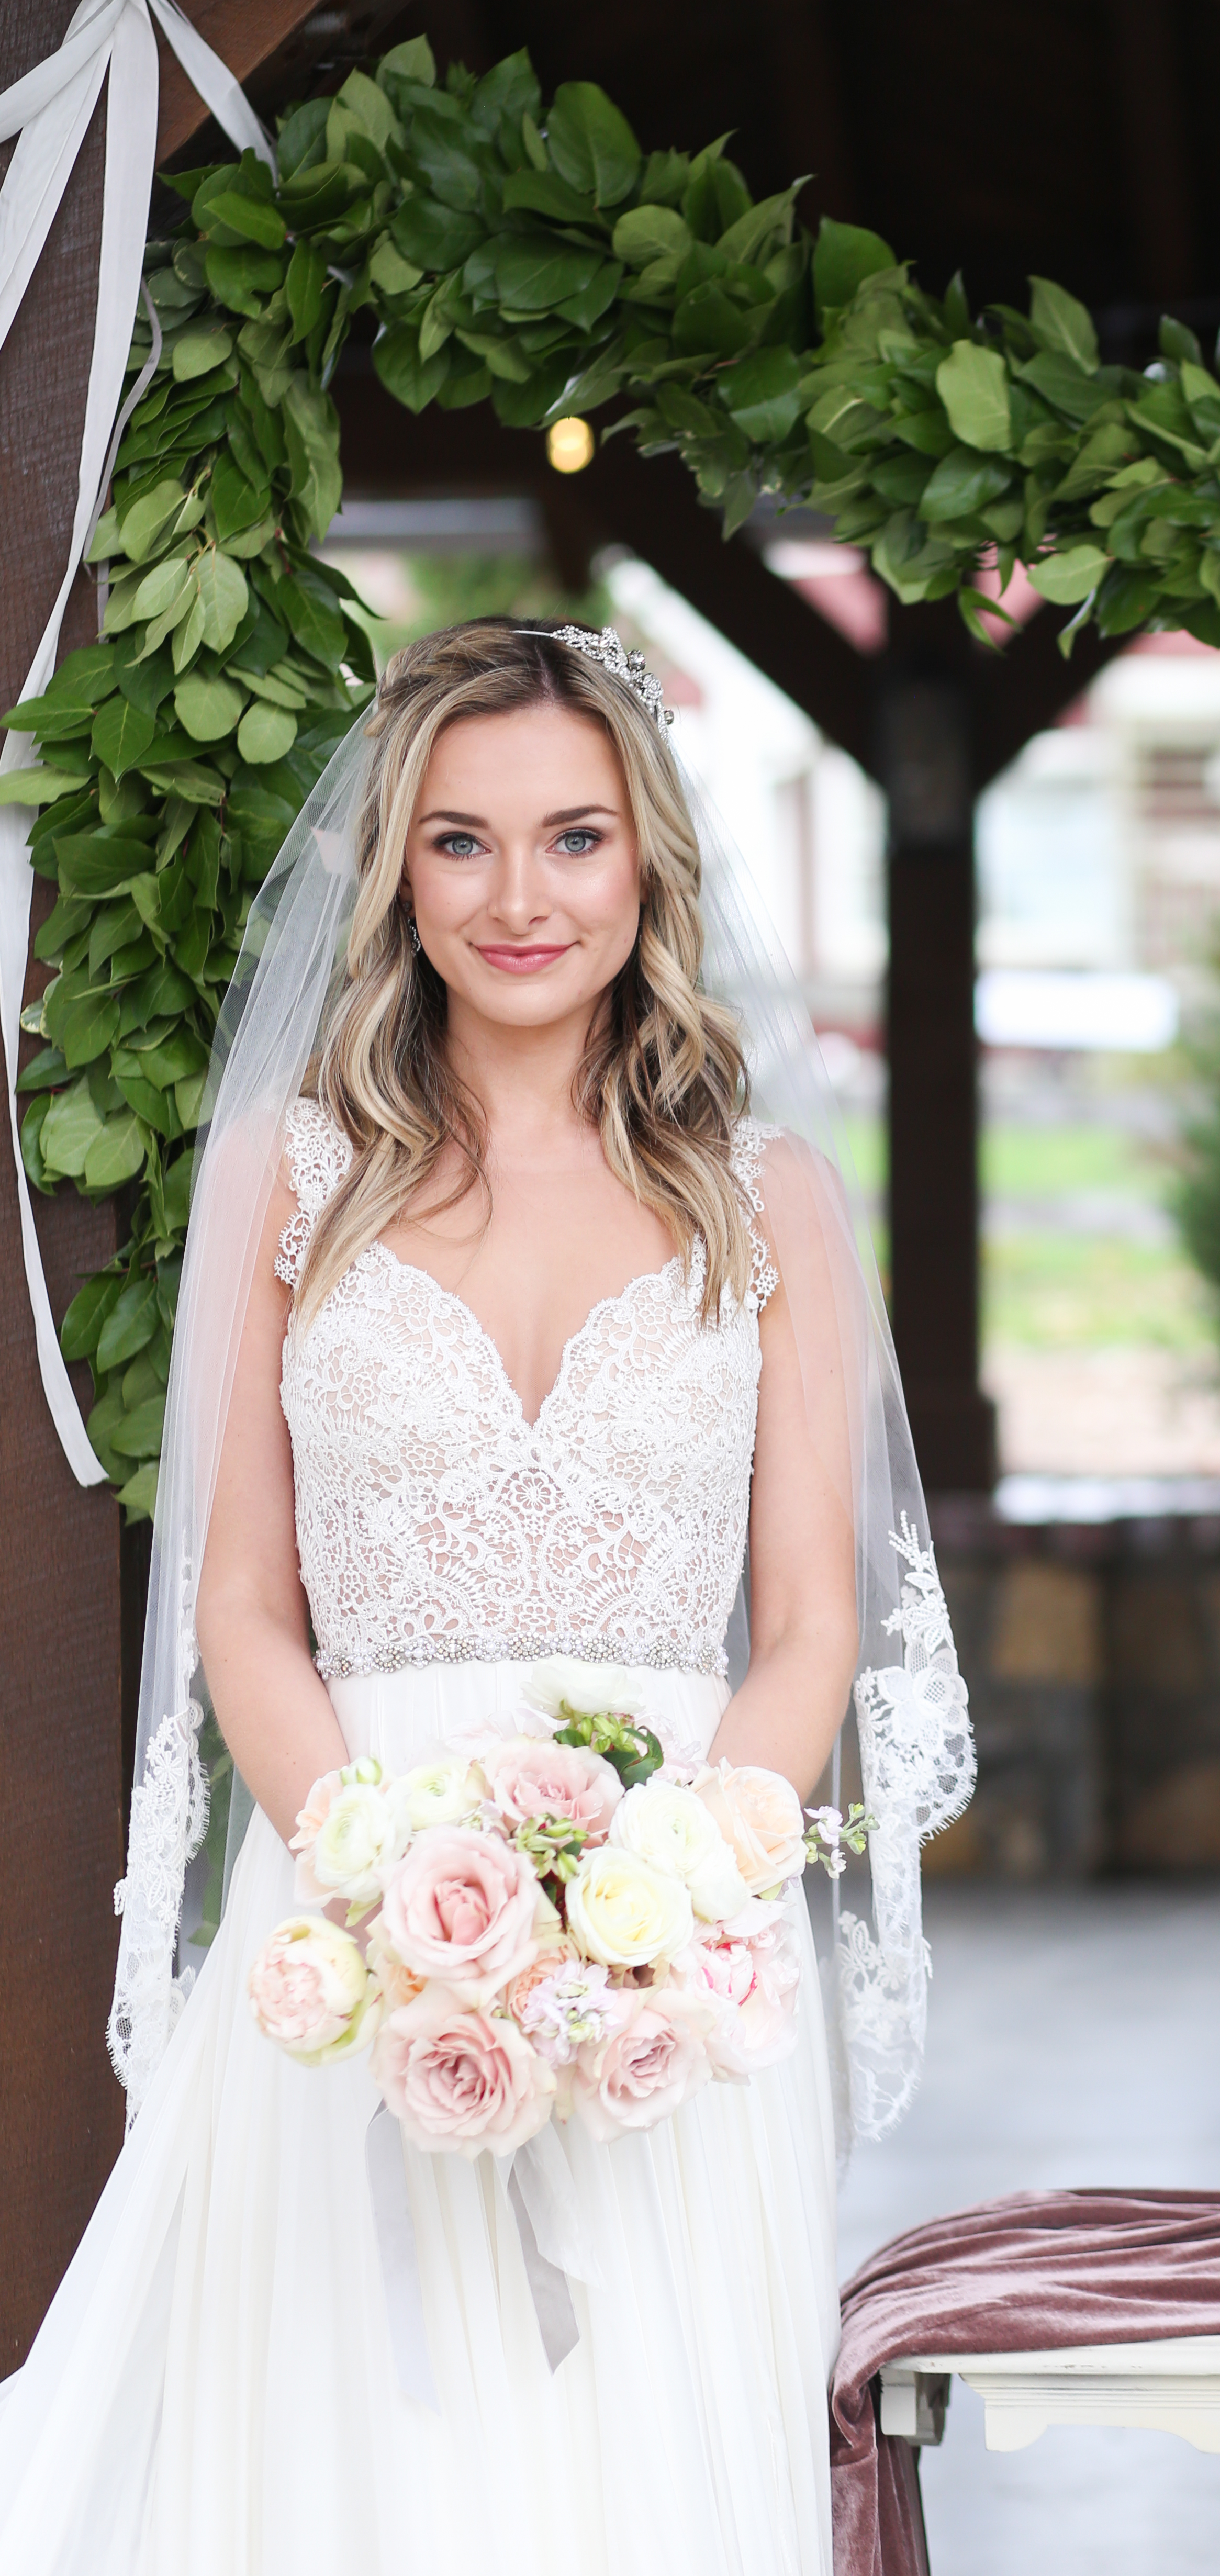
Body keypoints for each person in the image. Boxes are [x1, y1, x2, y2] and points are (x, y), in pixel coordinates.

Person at [0, 617, 972, 2571]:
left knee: (647, 2465)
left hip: (674, 1952)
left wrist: (669, 1903)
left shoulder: (767, 1196)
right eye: (459, 841)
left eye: (572, 838)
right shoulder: (288, 1175)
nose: (518, 896)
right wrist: (379, 1880)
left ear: (647, 862)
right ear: (397, 870)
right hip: (353, 1913)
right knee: (344, 2475)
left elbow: (804, 1626)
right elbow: (242, 1606)